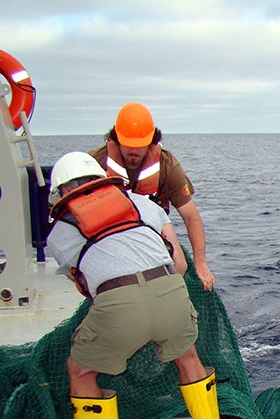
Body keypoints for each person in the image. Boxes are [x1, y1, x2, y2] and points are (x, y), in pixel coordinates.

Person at [47, 151, 224, 419]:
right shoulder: (141, 203)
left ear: (61, 193)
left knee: (80, 371)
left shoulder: (59, 233)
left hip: (117, 303)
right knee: (187, 356)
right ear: (100, 179)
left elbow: (86, 287)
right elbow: (179, 262)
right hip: (171, 289)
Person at [89, 102, 216, 291]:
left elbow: (191, 217)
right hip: (110, 235)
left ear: (151, 141)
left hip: (152, 234)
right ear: (116, 138)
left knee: (180, 265)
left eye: (139, 146)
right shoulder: (94, 163)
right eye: (128, 144)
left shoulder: (167, 166)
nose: (133, 151)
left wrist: (200, 262)